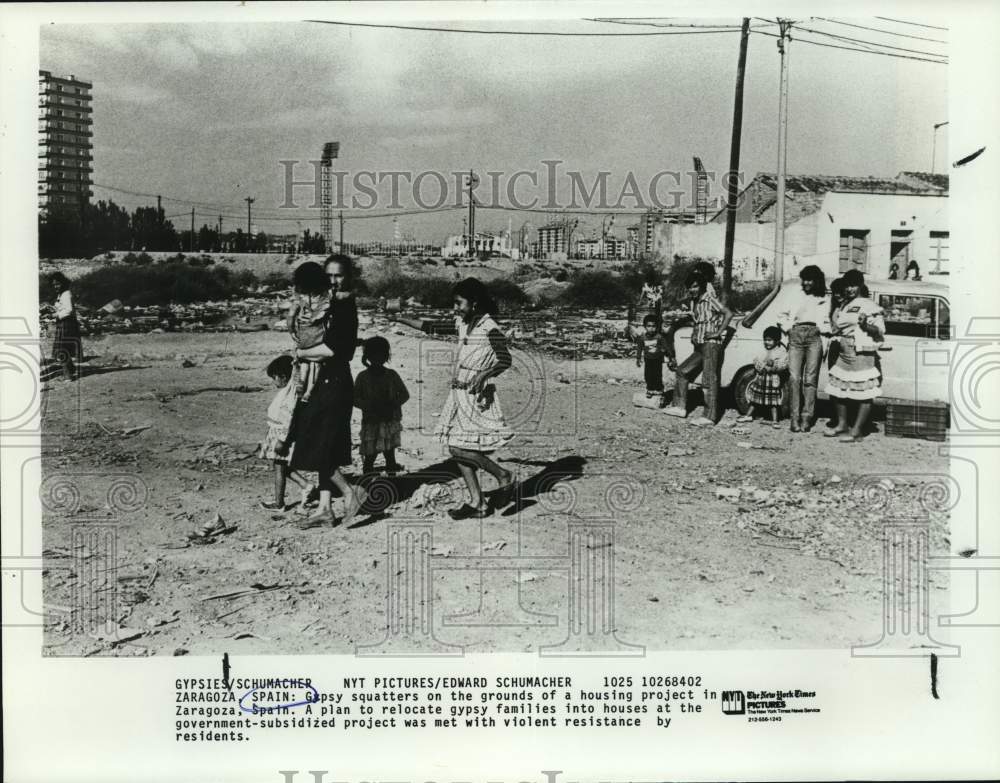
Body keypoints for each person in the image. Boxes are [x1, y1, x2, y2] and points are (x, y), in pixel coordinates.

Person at [288, 255, 367, 528]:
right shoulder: (327, 304)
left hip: (333, 380)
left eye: (339, 275)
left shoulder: (345, 307)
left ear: (349, 277)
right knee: (326, 446)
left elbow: (334, 350)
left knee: (317, 443)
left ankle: (349, 492)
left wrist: (300, 352)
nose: (334, 281)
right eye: (329, 275)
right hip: (323, 381)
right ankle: (324, 508)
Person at [435, 278, 516, 519]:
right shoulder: (464, 323)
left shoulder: (489, 328)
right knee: (459, 446)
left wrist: (485, 373)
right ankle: (478, 502)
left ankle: (503, 475)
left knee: (457, 447)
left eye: (459, 303)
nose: (455, 308)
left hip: (476, 396)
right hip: (458, 393)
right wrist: (398, 317)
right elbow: (432, 327)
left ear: (474, 302)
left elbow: (505, 359)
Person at [664, 270, 734, 426]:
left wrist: (718, 332)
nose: (692, 290)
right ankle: (679, 407)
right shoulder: (693, 302)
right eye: (690, 287)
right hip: (699, 346)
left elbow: (728, 314)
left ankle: (709, 416)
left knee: (709, 380)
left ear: (702, 286)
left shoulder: (710, 299)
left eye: (695, 286)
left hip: (710, 345)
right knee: (682, 371)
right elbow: (699, 320)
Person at [824, 269, 885, 442]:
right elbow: (839, 327)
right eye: (848, 285)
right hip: (844, 351)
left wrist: (866, 325)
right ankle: (842, 424)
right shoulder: (846, 305)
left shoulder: (869, 305)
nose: (850, 289)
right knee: (838, 389)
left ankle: (856, 430)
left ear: (860, 285)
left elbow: (880, 330)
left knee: (864, 392)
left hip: (861, 353)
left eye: (854, 285)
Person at [258, 355, 315, 511]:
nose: (274, 382)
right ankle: (305, 485)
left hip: (282, 434)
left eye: (274, 378)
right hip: (277, 432)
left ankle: (279, 502)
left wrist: (282, 440)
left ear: (282, 376)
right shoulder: (288, 390)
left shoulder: (290, 395)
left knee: (279, 468)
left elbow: (288, 417)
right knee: (280, 466)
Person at [777, 264, 830, 432]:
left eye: (810, 280)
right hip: (796, 335)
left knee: (810, 378)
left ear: (816, 281)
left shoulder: (824, 298)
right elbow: (782, 315)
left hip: (814, 336)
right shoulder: (795, 295)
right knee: (794, 378)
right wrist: (789, 329)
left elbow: (828, 321)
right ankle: (794, 418)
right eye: (804, 279)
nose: (806, 283)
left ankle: (807, 417)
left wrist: (824, 334)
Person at [353, 336, 410, 476]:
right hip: (371, 421)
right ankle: (369, 480)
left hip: (388, 421)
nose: (378, 358)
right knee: (370, 455)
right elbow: (354, 399)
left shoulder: (391, 375)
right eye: (375, 355)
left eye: (381, 355)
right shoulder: (363, 377)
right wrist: (369, 406)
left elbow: (404, 395)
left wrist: (391, 405)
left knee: (389, 454)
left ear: (386, 356)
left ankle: (392, 481)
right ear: (368, 356)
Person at [288, 262, 332, 402]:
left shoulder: (300, 298)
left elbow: (290, 316)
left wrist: (292, 330)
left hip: (303, 334)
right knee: (317, 363)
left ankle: (301, 381)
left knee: (304, 360)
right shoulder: (324, 297)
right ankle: (310, 390)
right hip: (318, 334)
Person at [736, 326, 788, 427]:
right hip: (761, 378)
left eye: (769, 340)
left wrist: (774, 366)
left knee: (773, 402)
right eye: (765, 340)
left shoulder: (781, 352)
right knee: (755, 399)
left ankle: (775, 420)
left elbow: (784, 364)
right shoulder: (762, 350)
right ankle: (748, 415)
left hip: (772, 380)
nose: (767, 342)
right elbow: (756, 360)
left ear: (777, 341)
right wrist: (762, 366)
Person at [50, 272, 81, 381]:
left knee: (62, 350)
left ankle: (68, 376)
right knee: (63, 348)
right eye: (54, 285)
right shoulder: (61, 294)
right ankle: (71, 370)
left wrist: (56, 314)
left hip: (67, 324)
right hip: (63, 323)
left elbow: (69, 310)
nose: (56, 286)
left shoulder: (66, 294)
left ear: (63, 283)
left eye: (57, 284)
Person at [824, 277, 846, 431]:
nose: (837, 295)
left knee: (844, 382)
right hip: (834, 345)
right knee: (834, 381)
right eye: (835, 292)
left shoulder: (849, 307)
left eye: (840, 292)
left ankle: (844, 418)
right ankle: (836, 416)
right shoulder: (834, 306)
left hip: (845, 345)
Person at [635, 314, 670, 398]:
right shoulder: (642, 338)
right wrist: (638, 358)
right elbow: (639, 348)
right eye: (649, 326)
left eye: (654, 326)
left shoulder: (659, 337)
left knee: (657, 375)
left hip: (658, 359)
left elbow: (666, 347)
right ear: (645, 327)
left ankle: (659, 389)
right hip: (648, 359)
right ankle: (650, 389)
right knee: (648, 375)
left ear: (657, 327)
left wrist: (670, 356)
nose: (651, 328)